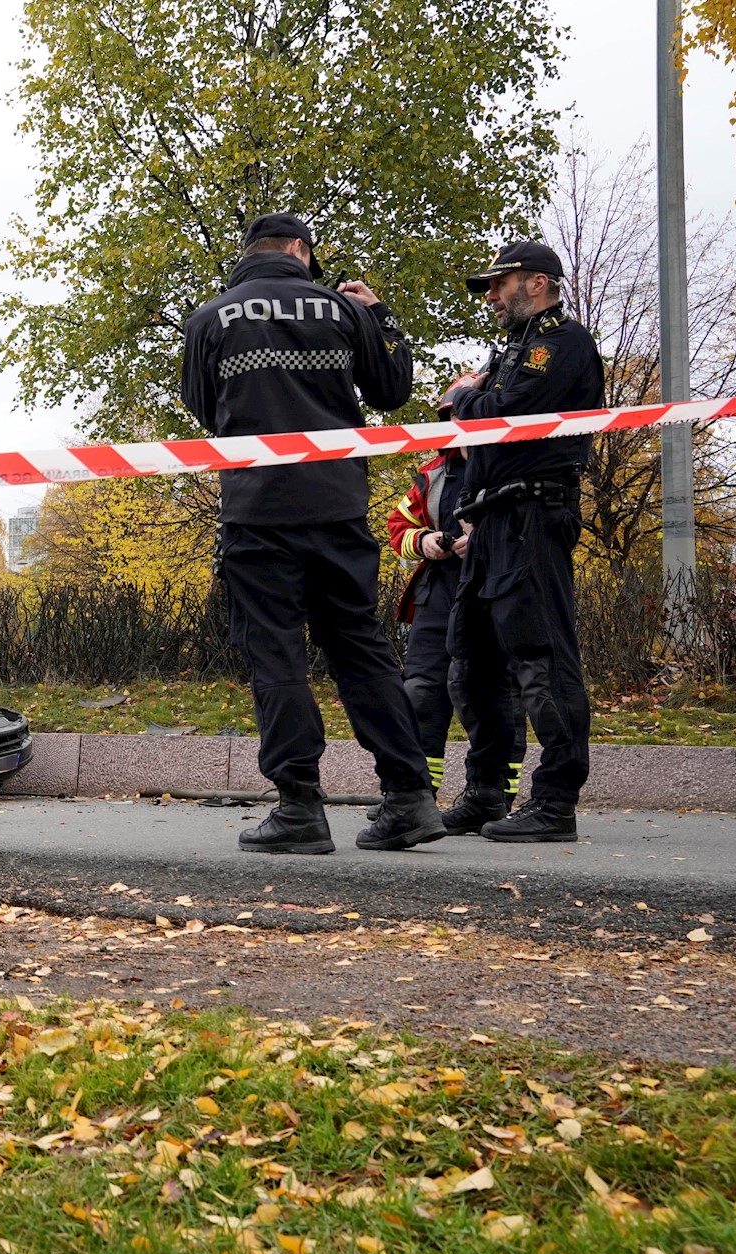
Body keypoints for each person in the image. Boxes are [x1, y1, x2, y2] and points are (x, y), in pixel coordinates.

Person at [181, 213, 443, 854]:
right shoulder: (342, 310)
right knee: (361, 652)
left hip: (259, 512)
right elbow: (391, 391)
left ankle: (300, 808)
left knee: (276, 658)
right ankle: (409, 798)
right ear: (301, 250)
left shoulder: (211, 317)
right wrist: (379, 315)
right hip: (337, 507)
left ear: (252, 253)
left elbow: (200, 404)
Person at [441, 240, 605, 842]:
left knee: (541, 659)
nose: (490, 296)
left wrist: (463, 398)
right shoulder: (512, 347)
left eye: (498, 283)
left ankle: (556, 801)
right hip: (491, 521)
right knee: (473, 664)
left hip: (532, 514)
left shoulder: (559, 341)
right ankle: (487, 793)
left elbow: (502, 412)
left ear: (536, 283)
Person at [386, 450, 528, 828]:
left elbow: (541, 525)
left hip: (497, 586)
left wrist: (485, 540)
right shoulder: (433, 473)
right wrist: (426, 541)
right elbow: (398, 526)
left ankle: (493, 795)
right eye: (453, 418)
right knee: (420, 691)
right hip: (440, 589)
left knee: (495, 695)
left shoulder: (518, 462)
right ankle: (416, 797)